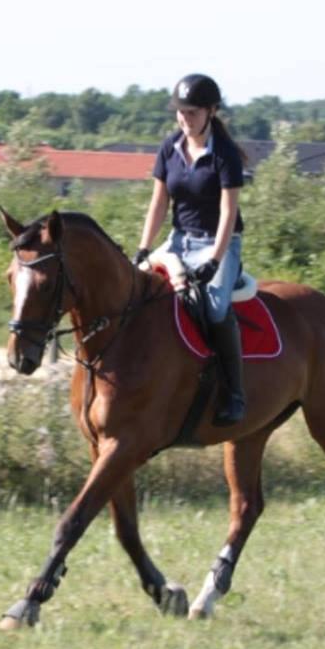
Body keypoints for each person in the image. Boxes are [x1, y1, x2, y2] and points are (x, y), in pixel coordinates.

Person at [133, 73, 247, 427]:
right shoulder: (170, 147)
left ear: (212, 111)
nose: (185, 119)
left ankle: (234, 392)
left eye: (192, 112)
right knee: (135, 289)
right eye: (180, 112)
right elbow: (158, 203)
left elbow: (228, 213)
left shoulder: (225, 153)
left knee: (214, 309)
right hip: (179, 241)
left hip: (218, 242)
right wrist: (143, 248)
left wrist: (215, 260)